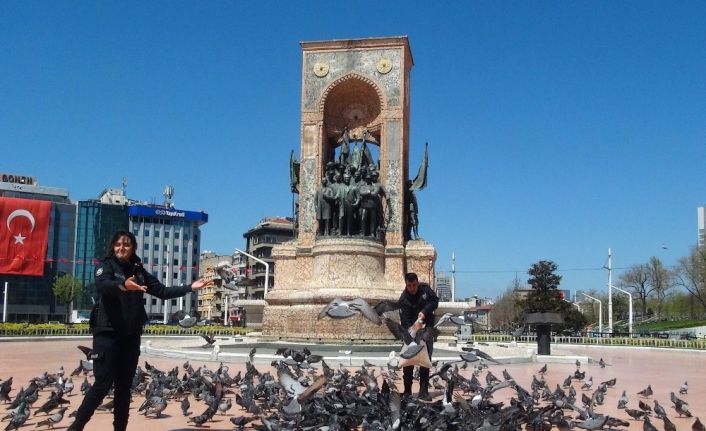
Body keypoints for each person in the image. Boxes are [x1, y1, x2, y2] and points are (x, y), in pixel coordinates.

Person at [67, 230, 213, 431]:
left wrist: (190, 287)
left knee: (124, 388)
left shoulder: (140, 272)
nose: (122, 248)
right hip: (107, 334)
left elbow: (162, 291)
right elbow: (104, 286)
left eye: (126, 245)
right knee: (102, 384)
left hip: (130, 335)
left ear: (132, 248)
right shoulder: (105, 266)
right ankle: (76, 427)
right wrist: (123, 285)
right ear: (113, 246)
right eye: (118, 244)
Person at [399, 272, 438, 401]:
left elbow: (434, 301)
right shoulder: (403, 299)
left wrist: (424, 312)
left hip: (426, 331)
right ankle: (407, 391)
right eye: (409, 285)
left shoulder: (425, 289)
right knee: (408, 362)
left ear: (417, 282)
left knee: (425, 362)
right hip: (411, 333)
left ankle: (423, 391)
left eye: (414, 285)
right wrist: (413, 332)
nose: (412, 288)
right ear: (406, 285)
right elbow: (404, 322)